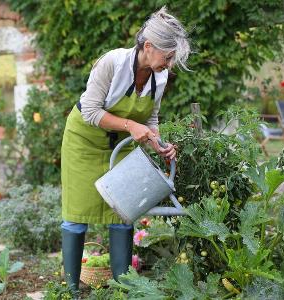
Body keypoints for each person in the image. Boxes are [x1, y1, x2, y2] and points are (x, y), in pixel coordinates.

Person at [60, 6, 191, 292]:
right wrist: (131, 125)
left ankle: (123, 287)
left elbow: (152, 119)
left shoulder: (160, 77)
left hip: (118, 148)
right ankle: (70, 290)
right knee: (76, 216)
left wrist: (160, 144)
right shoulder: (112, 63)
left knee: (123, 211)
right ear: (148, 46)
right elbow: (90, 111)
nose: (169, 65)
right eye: (167, 57)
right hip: (84, 142)